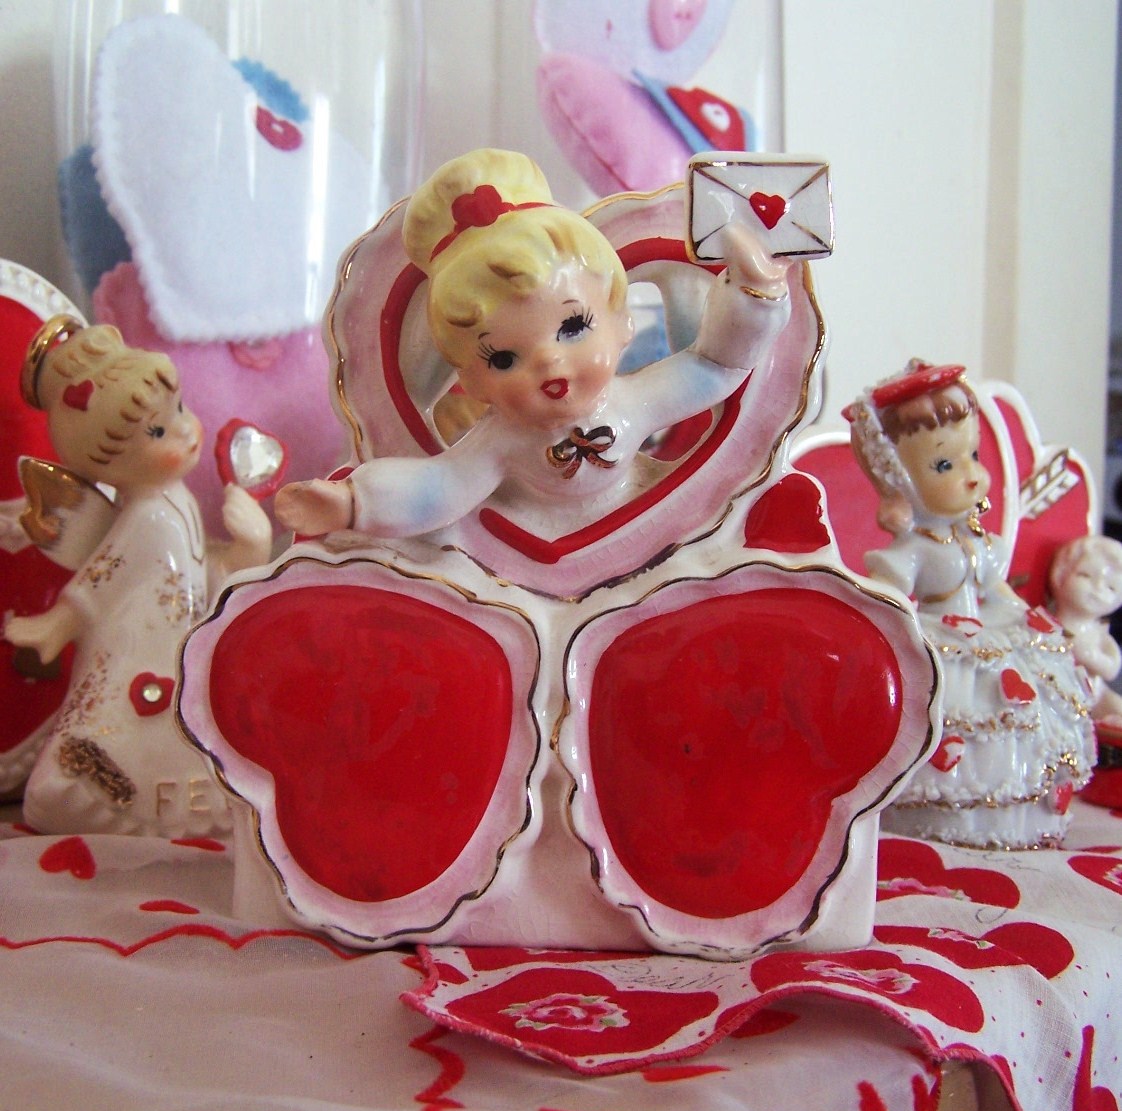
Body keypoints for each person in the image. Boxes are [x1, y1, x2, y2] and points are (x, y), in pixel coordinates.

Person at [275, 148, 790, 541]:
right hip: (525, 552)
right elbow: (442, 487)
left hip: (645, 532)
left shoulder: (635, 401)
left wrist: (755, 296)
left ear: (621, 320)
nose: (548, 360)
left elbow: (714, 367)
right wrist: (353, 503)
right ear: (472, 382)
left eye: (574, 327)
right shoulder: (502, 442)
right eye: (502, 358)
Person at [3, 316, 271, 837]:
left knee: (191, 723)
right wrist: (57, 624)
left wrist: (250, 548)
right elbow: (101, 579)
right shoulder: (146, 516)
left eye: (180, 409)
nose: (186, 430)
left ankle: (184, 803)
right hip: (139, 652)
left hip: (184, 643)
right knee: (132, 723)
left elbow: (200, 579)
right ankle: (99, 801)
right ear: (107, 457)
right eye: (157, 431)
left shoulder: (177, 501)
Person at [846, 359, 1095, 848]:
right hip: (940, 641)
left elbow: (995, 589)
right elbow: (887, 598)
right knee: (947, 713)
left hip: (988, 630)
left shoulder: (977, 540)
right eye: (944, 465)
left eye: (973, 455)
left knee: (1026, 701)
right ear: (899, 480)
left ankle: (1020, 808)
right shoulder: (916, 551)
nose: (972, 475)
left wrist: (1026, 617)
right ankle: (936, 817)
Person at [1050, 533, 1122, 729]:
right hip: (1060, 691)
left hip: (1097, 693)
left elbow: (1111, 669)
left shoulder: (1098, 632)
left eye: (1111, 587)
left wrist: (1092, 657)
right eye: (1085, 576)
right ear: (1061, 574)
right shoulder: (1053, 624)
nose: (1097, 589)